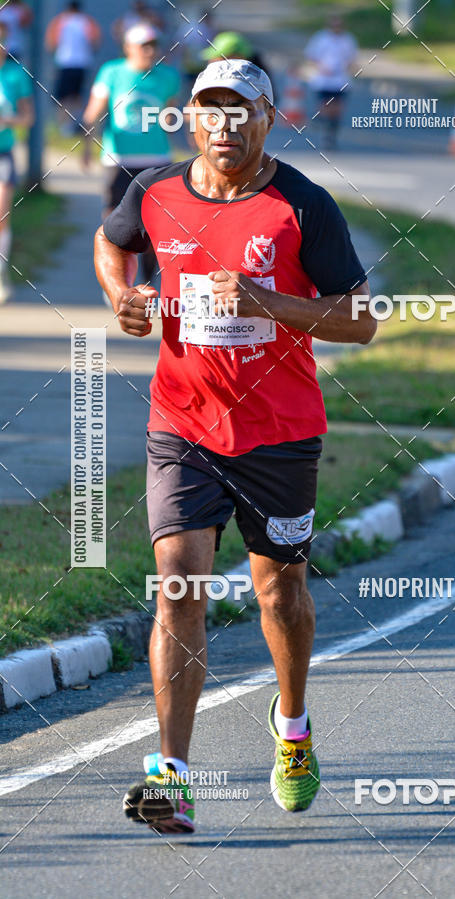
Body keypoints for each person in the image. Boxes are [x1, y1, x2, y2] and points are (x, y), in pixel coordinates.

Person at [94, 58, 375, 832]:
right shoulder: (153, 191)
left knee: (279, 593)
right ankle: (172, 776)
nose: (224, 125)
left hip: (279, 433)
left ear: (268, 118)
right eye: (209, 111)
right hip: (181, 425)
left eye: (240, 110)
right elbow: (110, 242)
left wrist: (269, 302)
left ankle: (292, 730)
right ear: (188, 120)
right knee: (178, 584)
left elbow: (359, 318)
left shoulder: (301, 206)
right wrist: (123, 296)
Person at [82, 22, 180, 288]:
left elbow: (170, 117)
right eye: (143, 46)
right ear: (128, 48)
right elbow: (93, 113)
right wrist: (87, 148)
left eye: (153, 45)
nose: (150, 51)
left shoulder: (168, 76)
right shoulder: (112, 72)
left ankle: (149, 282)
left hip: (157, 161)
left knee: (154, 226)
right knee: (115, 223)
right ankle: (116, 281)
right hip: (119, 160)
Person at [0, 19, 33, 303]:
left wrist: (7, 121)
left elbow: (28, 117)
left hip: (4, 152)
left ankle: (1, 274)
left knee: (1, 212)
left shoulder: (15, 74)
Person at [45, 2, 101, 134]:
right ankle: (73, 124)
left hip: (64, 62)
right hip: (82, 63)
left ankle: (64, 127)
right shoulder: (87, 21)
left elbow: (51, 42)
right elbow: (95, 41)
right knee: (76, 96)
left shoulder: (60, 21)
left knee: (62, 97)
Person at [304, 14, 358, 150]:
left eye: (339, 26)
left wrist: (350, 69)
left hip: (340, 80)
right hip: (324, 80)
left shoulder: (348, 40)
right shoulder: (321, 38)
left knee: (338, 108)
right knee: (326, 106)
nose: (336, 28)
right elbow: (311, 56)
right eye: (334, 26)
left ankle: (332, 133)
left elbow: (352, 58)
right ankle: (324, 126)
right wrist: (320, 67)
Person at [173, 7, 215, 93]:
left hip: (198, 62)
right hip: (191, 62)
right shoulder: (194, 27)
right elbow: (182, 44)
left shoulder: (209, 29)